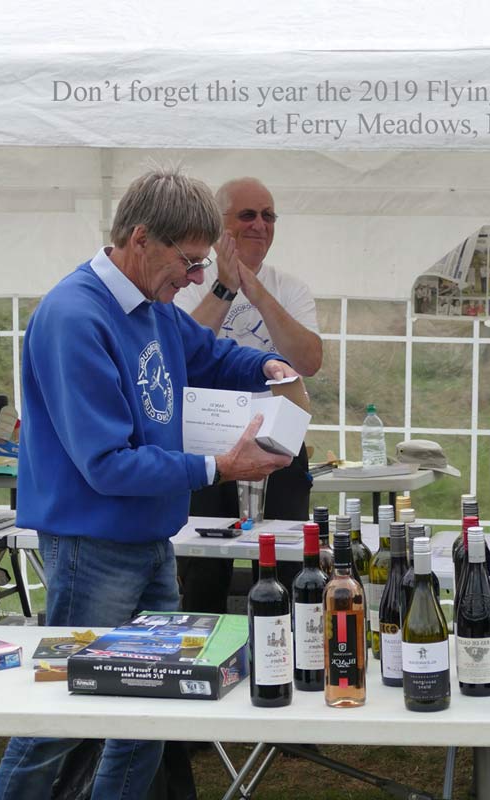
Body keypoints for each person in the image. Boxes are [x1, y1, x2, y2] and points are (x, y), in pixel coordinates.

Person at [0, 168, 295, 800]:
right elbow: (106, 464)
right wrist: (218, 467)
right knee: (61, 718)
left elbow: (207, 353)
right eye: (190, 262)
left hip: (149, 539)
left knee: (149, 710)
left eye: (202, 264)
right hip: (91, 547)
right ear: (140, 238)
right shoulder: (75, 316)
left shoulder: (151, 306)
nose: (196, 278)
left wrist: (266, 364)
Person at [173, 177, 321, 611]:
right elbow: (180, 354)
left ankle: (287, 643)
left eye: (268, 215)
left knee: (288, 563)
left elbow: (309, 360)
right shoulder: (188, 282)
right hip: (207, 437)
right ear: (220, 225)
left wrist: (255, 289)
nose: (260, 224)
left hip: (280, 436)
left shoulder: (290, 287)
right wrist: (225, 285)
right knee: (202, 568)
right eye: (247, 215)